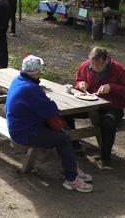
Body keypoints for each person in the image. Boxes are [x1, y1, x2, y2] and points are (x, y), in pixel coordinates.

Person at [5, 55, 93, 192]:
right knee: (63, 138)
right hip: (25, 133)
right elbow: (51, 110)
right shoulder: (31, 89)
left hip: (20, 126)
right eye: (40, 70)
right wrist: (48, 101)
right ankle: (71, 179)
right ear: (35, 72)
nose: (41, 72)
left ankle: (70, 168)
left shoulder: (18, 80)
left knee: (61, 131)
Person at [69, 47, 125, 169]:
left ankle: (105, 158)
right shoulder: (85, 65)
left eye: (99, 64)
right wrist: (80, 84)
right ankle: (75, 145)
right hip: (88, 104)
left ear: (106, 60)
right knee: (66, 113)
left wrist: (112, 87)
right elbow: (78, 80)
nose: (95, 67)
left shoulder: (119, 69)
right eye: (93, 64)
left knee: (108, 122)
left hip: (112, 106)